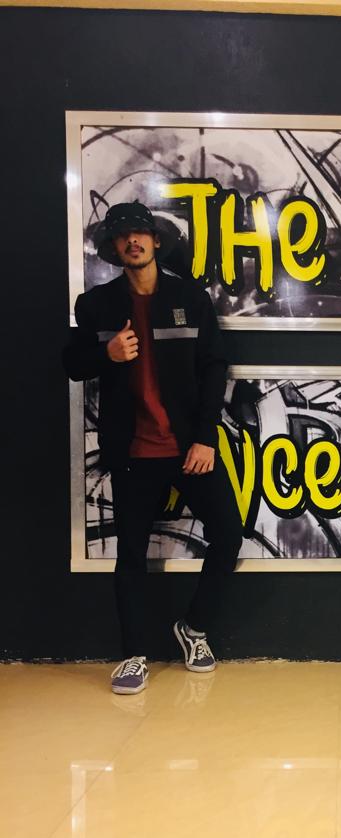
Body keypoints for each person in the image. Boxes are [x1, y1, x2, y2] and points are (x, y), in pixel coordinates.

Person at [63, 201, 242, 695]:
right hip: (132, 453)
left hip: (188, 448)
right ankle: (134, 655)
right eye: (123, 236)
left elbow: (214, 366)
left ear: (156, 241)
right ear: (114, 247)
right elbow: (72, 364)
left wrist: (205, 436)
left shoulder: (190, 298)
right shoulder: (96, 304)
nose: (133, 241)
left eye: (140, 233)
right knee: (131, 557)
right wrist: (106, 353)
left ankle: (194, 629)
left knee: (228, 533)